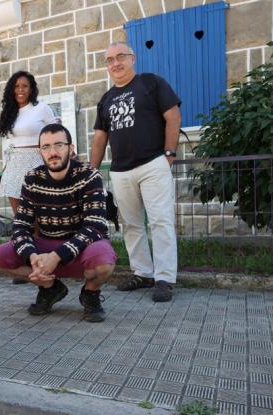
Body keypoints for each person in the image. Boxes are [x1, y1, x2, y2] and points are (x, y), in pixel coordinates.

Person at [0, 124, 117, 322]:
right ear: (40, 151)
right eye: (46, 147)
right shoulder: (33, 178)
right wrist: (33, 257)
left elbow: (95, 226)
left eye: (59, 145)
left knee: (104, 262)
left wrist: (57, 256)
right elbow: (21, 226)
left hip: (81, 247)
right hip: (46, 245)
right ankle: (50, 288)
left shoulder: (89, 175)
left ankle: (90, 294)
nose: (53, 152)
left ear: (71, 148)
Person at [90, 42, 181, 302]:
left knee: (160, 221)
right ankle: (142, 273)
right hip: (121, 171)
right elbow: (99, 139)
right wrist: (92, 173)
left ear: (133, 58)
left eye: (120, 57)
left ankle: (164, 278)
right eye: (109, 60)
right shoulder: (105, 100)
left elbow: (173, 116)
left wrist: (169, 153)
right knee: (130, 225)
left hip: (153, 164)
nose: (115, 63)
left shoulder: (151, 83)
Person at [0, 71, 58, 215]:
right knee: (16, 203)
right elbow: (10, 140)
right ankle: (23, 233)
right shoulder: (9, 112)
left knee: (36, 203)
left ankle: (38, 236)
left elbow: (56, 133)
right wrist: (6, 165)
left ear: (31, 89)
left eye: (25, 86)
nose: (20, 90)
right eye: (16, 86)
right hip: (14, 161)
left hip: (35, 160)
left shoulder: (41, 108)